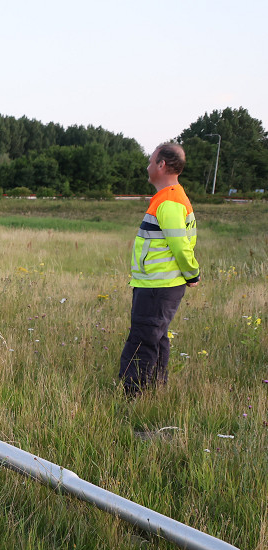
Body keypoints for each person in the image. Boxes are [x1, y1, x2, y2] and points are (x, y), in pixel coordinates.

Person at [118, 143, 199, 395]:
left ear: (162, 164)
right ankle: (155, 389)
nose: (147, 166)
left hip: (158, 286)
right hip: (156, 284)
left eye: (151, 161)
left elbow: (180, 245)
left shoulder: (170, 202)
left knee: (143, 339)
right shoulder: (169, 198)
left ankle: (133, 395)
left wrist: (192, 273)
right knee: (156, 336)